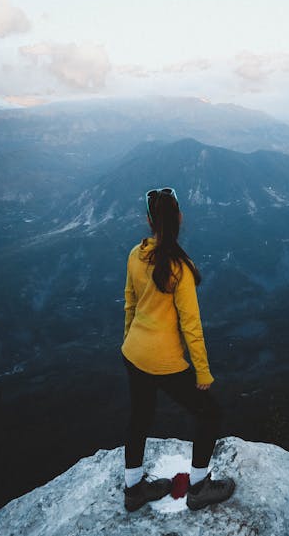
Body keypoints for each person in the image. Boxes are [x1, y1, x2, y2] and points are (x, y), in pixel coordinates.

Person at [121, 187, 235, 512]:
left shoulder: (134, 254)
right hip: (165, 360)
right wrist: (202, 370)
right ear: (180, 218)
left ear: (148, 221)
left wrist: (129, 340)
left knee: (139, 417)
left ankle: (133, 491)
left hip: (133, 353)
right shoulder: (180, 268)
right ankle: (199, 488)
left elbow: (129, 303)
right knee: (209, 412)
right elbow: (191, 326)